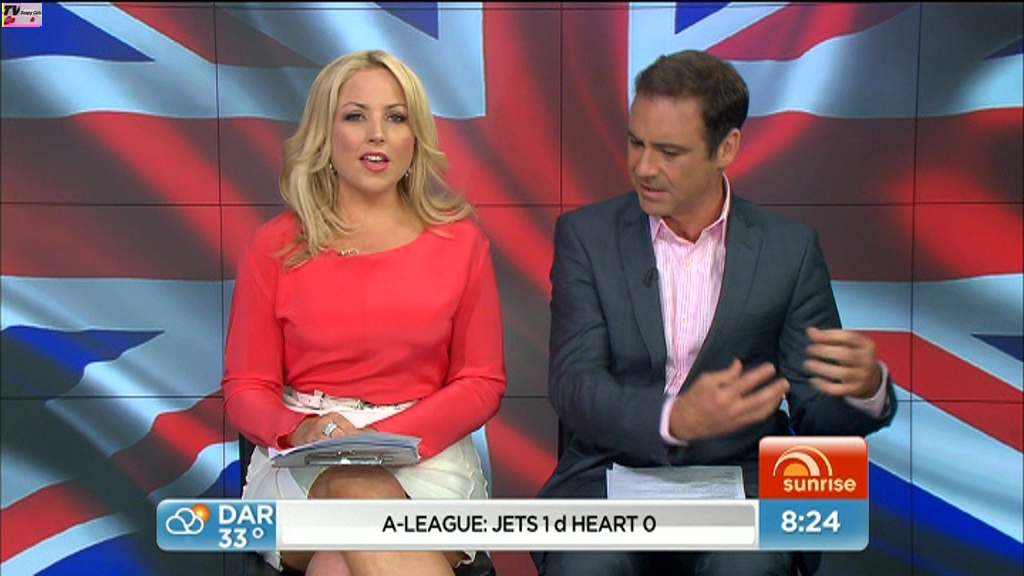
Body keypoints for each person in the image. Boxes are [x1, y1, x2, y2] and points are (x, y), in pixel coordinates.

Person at [533, 49, 897, 576]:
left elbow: (817, 413)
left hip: (742, 479)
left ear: (726, 148)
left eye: (669, 151)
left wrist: (862, 390)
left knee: (746, 567)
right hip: (610, 474)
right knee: (589, 565)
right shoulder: (586, 237)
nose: (643, 167)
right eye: (636, 143)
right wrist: (673, 419)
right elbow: (575, 384)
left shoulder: (788, 251)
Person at [222, 49, 507, 576]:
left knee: (337, 562)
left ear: (414, 137)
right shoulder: (274, 247)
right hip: (304, 457)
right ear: (325, 135)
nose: (377, 134)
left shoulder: (461, 244)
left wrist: (389, 437)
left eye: (395, 117)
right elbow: (246, 387)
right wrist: (298, 430)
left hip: (427, 454)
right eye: (356, 116)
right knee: (354, 490)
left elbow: (481, 381)